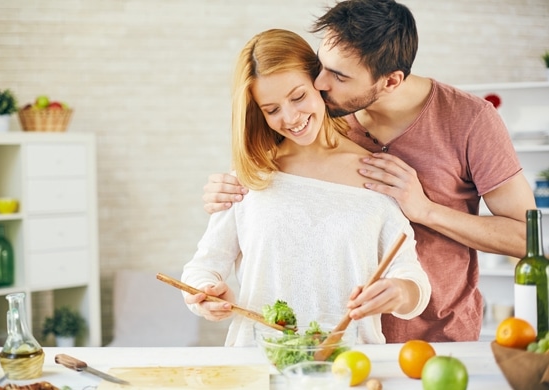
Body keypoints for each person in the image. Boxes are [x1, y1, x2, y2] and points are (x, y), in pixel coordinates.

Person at [202, 0, 537, 343]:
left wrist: (427, 211)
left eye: (339, 76)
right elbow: (267, 173)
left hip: (436, 333)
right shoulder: (319, 112)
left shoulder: (470, 121)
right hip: (345, 341)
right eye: (321, 65)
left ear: (391, 81)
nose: (319, 82)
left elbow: (528, 238)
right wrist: (227, 187)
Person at [182, 28, 431, 347]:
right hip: (261, 362)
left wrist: (399, 293)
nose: (290, 117)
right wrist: (203, 292)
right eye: (271, 109)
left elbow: (414, 282)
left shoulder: (376, 173)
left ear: (320, 83)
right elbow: (203, 267)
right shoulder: (251, 177)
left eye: (298, 97)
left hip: (352, 366)